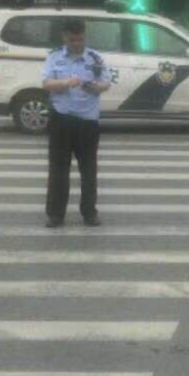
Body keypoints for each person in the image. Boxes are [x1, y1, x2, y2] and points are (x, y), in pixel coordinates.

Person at [41, 18, 112, 227]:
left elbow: (106, 82)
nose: (77, 44)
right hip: (61, 119)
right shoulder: (54, 57)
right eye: (72, 40)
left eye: (80, 39)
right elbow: (46, 83)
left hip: (87, 121)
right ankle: (56, 215)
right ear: (65, 37)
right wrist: (65, 83)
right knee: (58, 170)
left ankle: (89, 213)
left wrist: (96, 87)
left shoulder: (94, 58)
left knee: (89, 170)